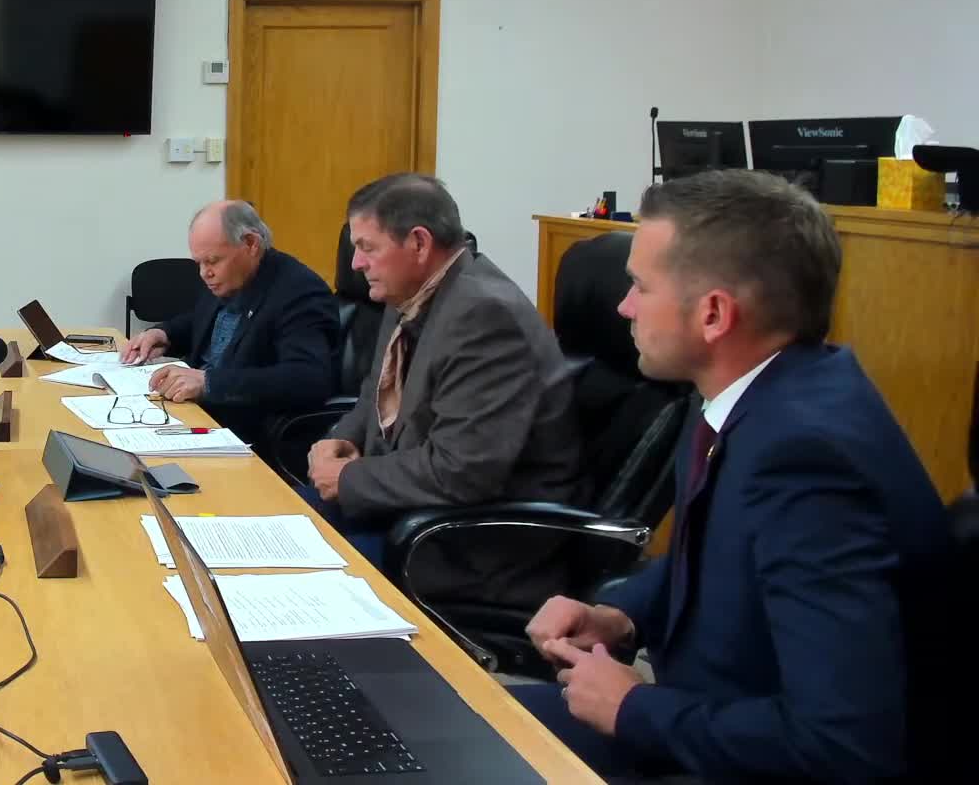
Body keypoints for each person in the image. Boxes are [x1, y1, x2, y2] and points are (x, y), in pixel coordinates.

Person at [513, 170, 955, 783]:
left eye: (640, 286)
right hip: (705, 723)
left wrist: (634, 708)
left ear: (715, 314)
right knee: (462, 727)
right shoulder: (752, 395)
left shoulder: (805, 457)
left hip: (746, 759)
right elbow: (716, 555)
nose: (624, 307)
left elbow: (843, 744)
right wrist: (621, 616)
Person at [304, 173, 583, 604]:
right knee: (261, 530)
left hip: (465, 546)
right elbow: (374, 392)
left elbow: (461, 471)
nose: (356, 263)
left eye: (367, 247)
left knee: (289, 583)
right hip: (403, 509)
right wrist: (340, 439)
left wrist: (348, 478)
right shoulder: (409, 294)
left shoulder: (486, 316)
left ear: (418, 243)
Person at [119, 200, 335, 443]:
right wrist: (164, 334)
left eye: (212, 261)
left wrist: (209, 382)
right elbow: (201, 321)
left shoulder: (298, 291)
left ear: (251, 243)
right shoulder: (231, 277)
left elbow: (307, 378)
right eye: (199, 263)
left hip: (241, 432)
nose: (204, 273)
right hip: (191, 413)